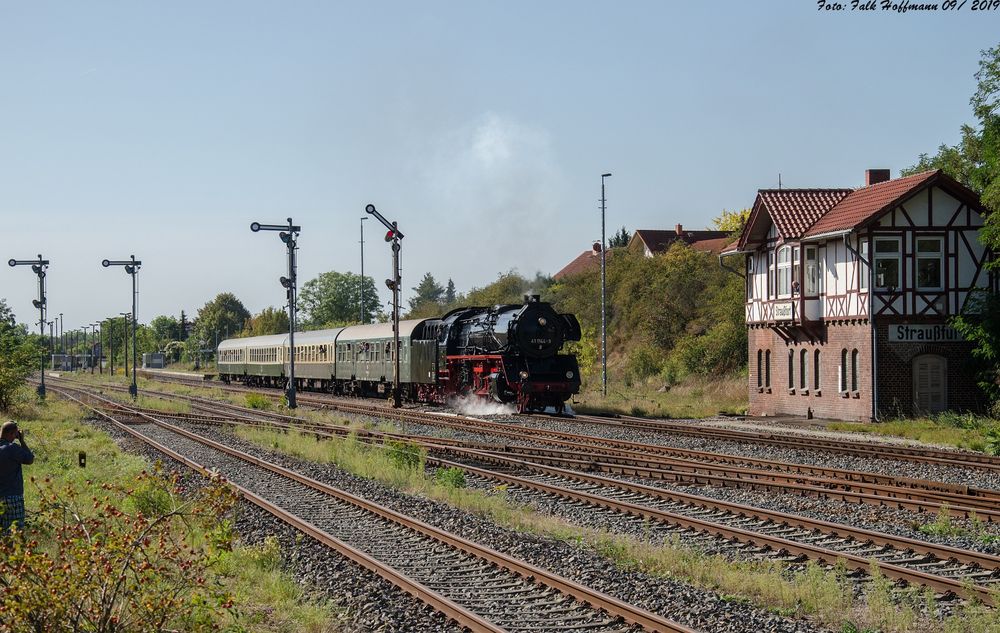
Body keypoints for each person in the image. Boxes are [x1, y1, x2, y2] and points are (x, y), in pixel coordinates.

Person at [0, 421, 34, 532]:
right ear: (11, 434)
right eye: (15, 434)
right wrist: (22, 440)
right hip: (13, 497)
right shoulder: (12, 448)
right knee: (15, 533)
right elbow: (29, 459)